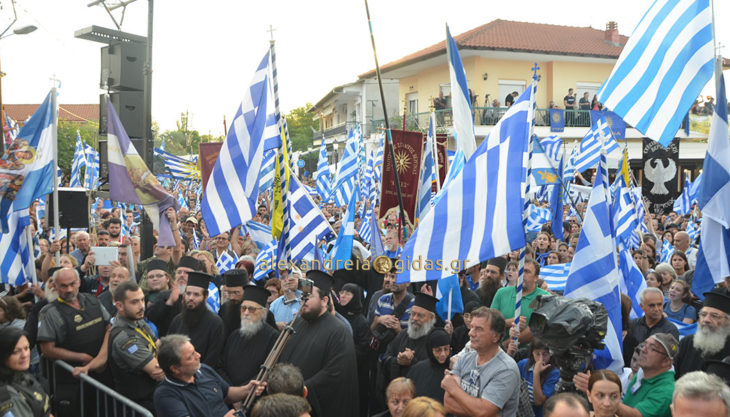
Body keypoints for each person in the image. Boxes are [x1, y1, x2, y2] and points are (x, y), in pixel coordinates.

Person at [278, 269, 358, 417]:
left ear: (325, 300)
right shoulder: (295, 324)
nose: (303, 300)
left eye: (309, 296)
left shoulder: (339, 331)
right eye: (302, 296)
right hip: (288, 404)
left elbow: (334, 374)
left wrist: (301, 389)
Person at [37, 267, 111, 417]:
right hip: (72, 380)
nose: (69, 289)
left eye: (72, 284)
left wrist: (99, 360)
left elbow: (108, 328)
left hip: (101, 374)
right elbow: (47, 350)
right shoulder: (50, 312)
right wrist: (82, 357)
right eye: (63, 286)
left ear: (78, 282)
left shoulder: (93, 300)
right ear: (54, 286)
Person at [153, 334, 263, 417]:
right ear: (175, 369)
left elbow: (226, 393)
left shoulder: (204, 370)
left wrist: (247, 390)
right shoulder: (165, 395)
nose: (198, 355)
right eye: (191, 356)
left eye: (195, 351)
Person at [441, 307, 520, 417]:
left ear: (495, 336)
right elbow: (448, 404)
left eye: (478, 329)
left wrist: (453, 388)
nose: (471, 333)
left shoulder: (506, 369)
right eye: (472, 327)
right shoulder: (465, 358)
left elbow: (483, 412)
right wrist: (480, 411)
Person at [107, 281, 164, 414]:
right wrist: (164, 361)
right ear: (119, 306)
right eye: (134, 302)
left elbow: (159, 344)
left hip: (152, 398)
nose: (141, 306)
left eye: (142, 300)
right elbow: (159, 373)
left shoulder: (138, 320)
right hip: (138, 405)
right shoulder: (124, 337)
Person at [219, 285, 277, 386]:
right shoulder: (234, 335)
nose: (246, 313)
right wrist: (231, 391)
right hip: (229, 394)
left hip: (254, 395)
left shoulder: (273, 337)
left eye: (251, 309)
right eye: (243, 308)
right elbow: (221, 366)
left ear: (263, 313)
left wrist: (244, 391)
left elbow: (269, 371)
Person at [167, 271, 224, 367]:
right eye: (188, 293)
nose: (190, 298)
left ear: (205, 297)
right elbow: (169, 349)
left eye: (196, 295)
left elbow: (212, 358)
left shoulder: (215, 323)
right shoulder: (177, 320)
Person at [381, 293, 438, 384]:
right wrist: (398, 360)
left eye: (420, 315)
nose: (414, 318)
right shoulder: (403, 334)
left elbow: (434, 371)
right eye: (412, 314)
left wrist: (412, 361)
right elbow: (385, 359)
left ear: (431, 318)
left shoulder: (435, 339)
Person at [491, 260, 549, 345]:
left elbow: (536, 329)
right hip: (499, 349)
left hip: (528, 353)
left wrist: (506, 344)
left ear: (536, 277)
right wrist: (507, 323)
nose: (522, 275)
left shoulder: (545, 297)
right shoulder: (501, 293)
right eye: (520, 270)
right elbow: (490, 322)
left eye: (527, 272)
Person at [620, 333, 678, 417]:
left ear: (666, 361)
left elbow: (637, 415)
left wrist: (609, 402)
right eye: (645, 344)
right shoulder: (640, 375)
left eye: (653, 349)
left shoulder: (666, 391)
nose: (643, 350)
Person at [675, 291, 730, 378]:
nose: (706, 319)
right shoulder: (686, 343)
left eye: (714, 316)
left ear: (728, 322)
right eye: (703, 314)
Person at [0, 327, 52, 417]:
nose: (24, 355)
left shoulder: (21, 374)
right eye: (16, 352)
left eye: (26, 348)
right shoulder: (9, 397)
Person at [147, 255, 202, 336]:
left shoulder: (200, 298)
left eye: (186, 273)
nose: (182, 275)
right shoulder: (164, 295)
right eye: (179, 272)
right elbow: (151, 318)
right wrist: (169, 302)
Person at [625, 288, 679, 356]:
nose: (656, 309)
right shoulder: (632, 325)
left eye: (659, 304)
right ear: (642, 306)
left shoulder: (670, 330)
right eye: (652, 305)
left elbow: (672, 356)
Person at [517, 339, 560, 417]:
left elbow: (538, 401)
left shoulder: (554, 373)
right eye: (537, 354)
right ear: (532, 353)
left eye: (545, 354)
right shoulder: (523, 364)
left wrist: (536, 373)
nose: (541, 359)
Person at [407, 328, 450, 403]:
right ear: (430, 350)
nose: (443, 354)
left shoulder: (454, 369)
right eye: (438, 350)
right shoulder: (417, 370)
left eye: (446, 349)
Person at [218, 269, 249, 341]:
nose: (232, 297)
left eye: (236, 292)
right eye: (228, 293)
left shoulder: (256, 310)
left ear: (246, 290)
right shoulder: (224, 309)